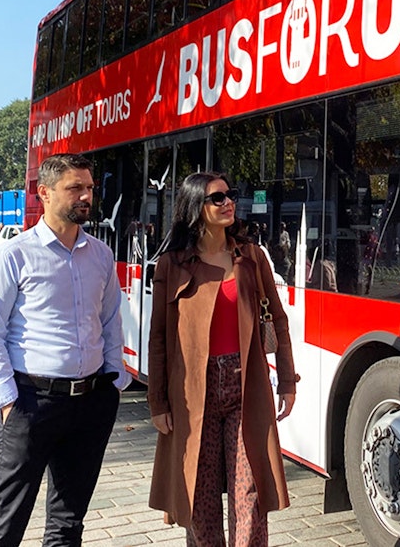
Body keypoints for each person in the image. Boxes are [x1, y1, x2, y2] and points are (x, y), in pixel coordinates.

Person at [0, 153, 131, 546]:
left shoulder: (101, 254)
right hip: (32, 402)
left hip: (91, 402)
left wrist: (114, 382)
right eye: (74, 188)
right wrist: (9, 402)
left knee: (67, 524)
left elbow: (111, 320)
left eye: (90, 188)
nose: (86, 196)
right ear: (44, 193)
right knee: (2, 527)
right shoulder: (15, 255)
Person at [148, 172, 297, 546]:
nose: (229, 202)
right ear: (196, 206)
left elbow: (277, 318)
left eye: (231, 195)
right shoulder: (172, 264)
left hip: (245, 385)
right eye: (218, 198)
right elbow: (159, 337)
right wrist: (158, 402)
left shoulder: (250, 256)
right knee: (199, 495)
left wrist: (289, 381)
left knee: (250, 494)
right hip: (193, 392)